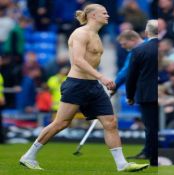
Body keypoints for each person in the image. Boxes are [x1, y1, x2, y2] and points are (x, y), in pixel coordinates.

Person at [19, 4, 149, 172]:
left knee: (111, 123)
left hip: (93, 86)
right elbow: (79, 61)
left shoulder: (96, 34)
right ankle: (29, 156)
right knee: (61, 123)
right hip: (77, 84)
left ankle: (122, 164)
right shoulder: (80, 33)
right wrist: (101, 76)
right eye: (104, 13)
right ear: (93, 15)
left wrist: (97, 79)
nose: (108, 15)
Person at [126, 20, 158, 166]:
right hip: (169, 95)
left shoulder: (139, 50)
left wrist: (130, 95)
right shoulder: (166, 47)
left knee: (151, 127)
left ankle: (154, 158)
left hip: (147, 94)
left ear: (147, 32)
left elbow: (131, 76)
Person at [111, 30, 144, 95]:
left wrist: (114, 86)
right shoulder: (153, 45)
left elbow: (125, 71)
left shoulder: (135, 52)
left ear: (133, 39)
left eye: (124, 44)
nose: (123, 47)